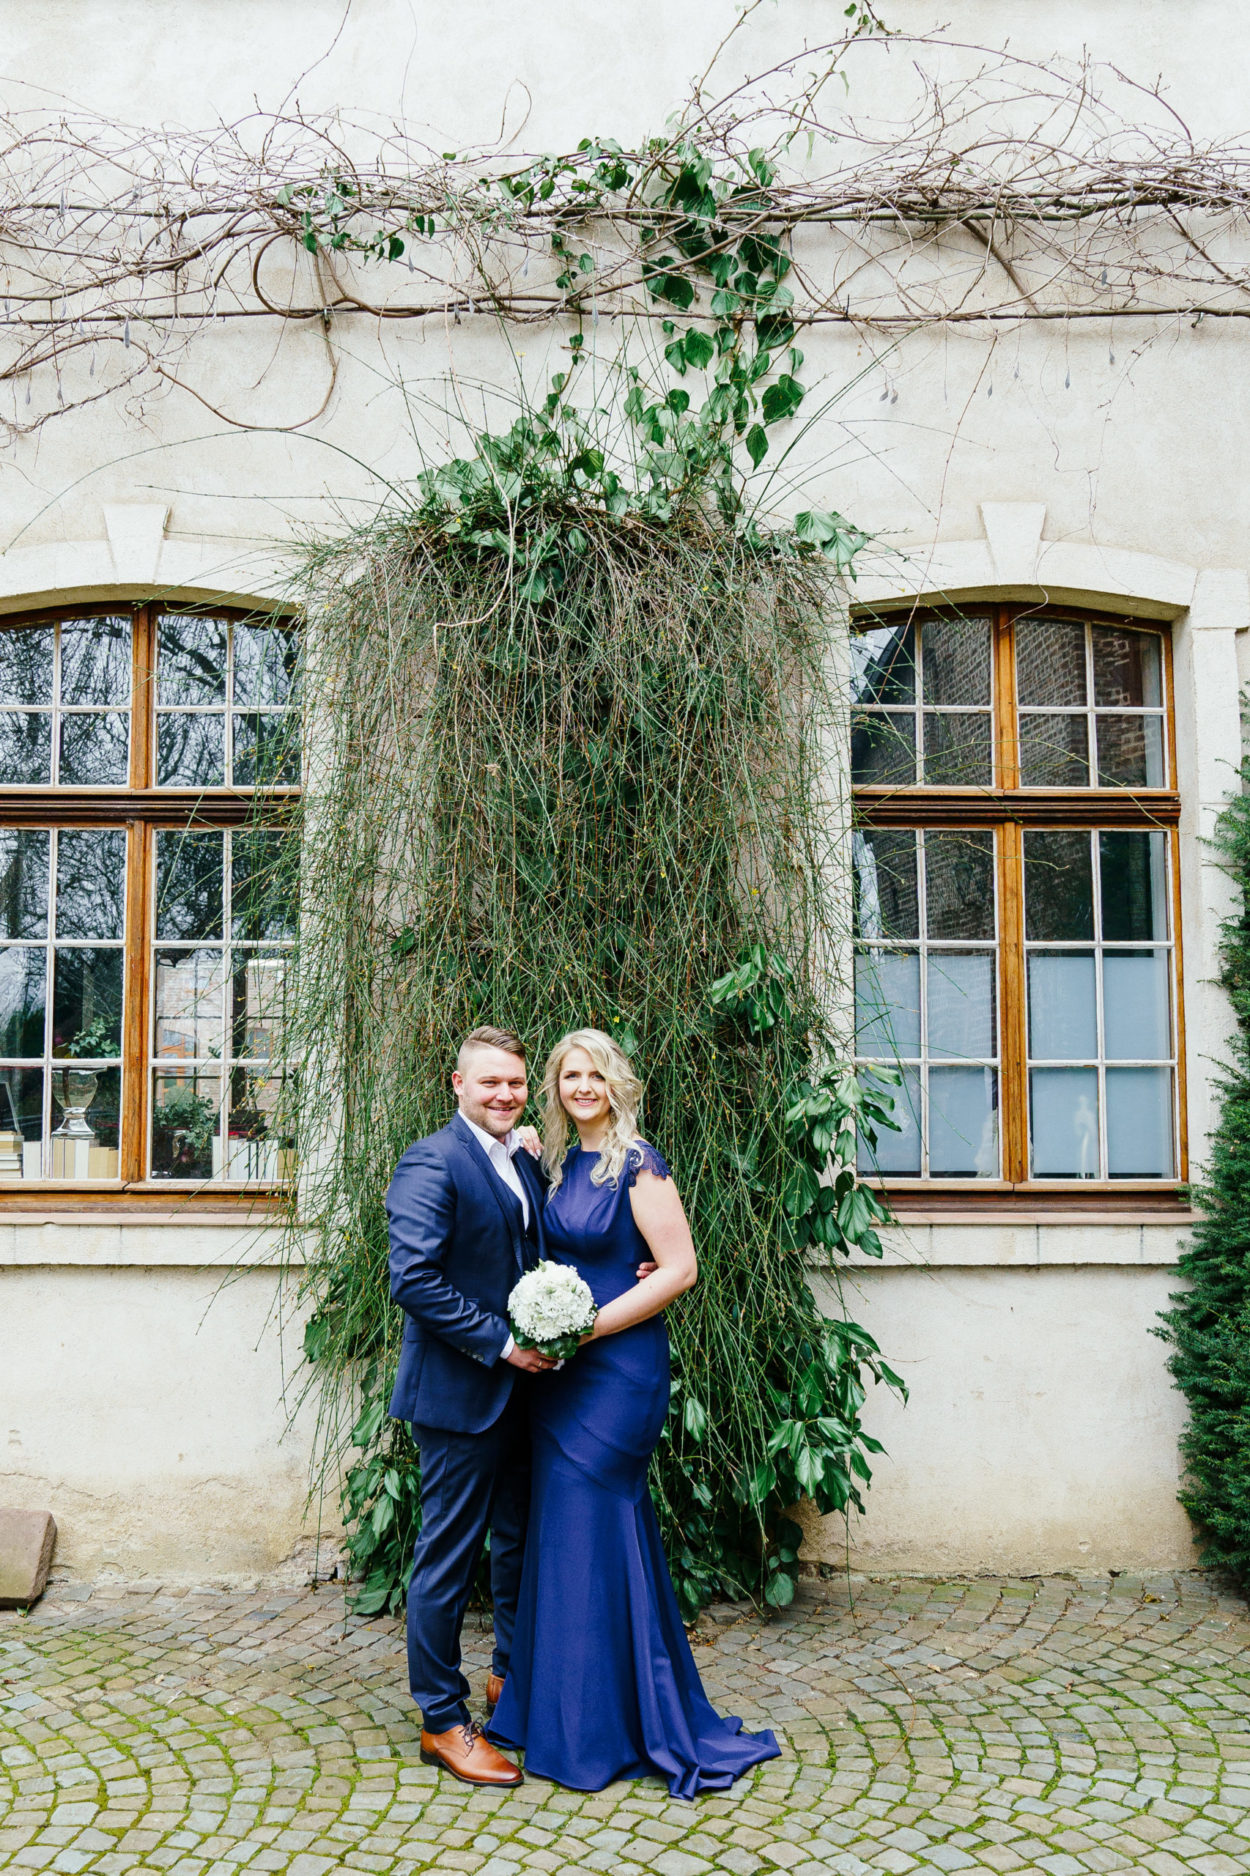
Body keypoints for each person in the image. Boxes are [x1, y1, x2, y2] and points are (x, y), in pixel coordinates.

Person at [489, 1028, 780, 1798]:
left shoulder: (637, 1162)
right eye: (569, 1075)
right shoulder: (551, 1162)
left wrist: (590, 1324)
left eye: (595, 1074)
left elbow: (680, 1269)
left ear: (617, 1082)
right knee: (565, 1533)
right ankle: (565, 1713)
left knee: (596, 1525)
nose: (582, 1086)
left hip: (617, 1372)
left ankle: (609, 1729)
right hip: (559, 1376)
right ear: (554, 1087)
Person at [386, 1025, 554, 1790]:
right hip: (461, 1394)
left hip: (525, 1395)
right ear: (458, 1084)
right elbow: (413, 1279)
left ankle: (509, 1683)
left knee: (519, 1543)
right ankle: (443, 1722)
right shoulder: (432, 1160)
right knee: (447, 1559)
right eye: (489, 1082)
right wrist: (501, 1344)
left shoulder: (520, 1158)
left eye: (515, 1084)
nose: (504, 1095)